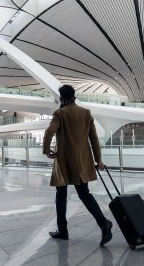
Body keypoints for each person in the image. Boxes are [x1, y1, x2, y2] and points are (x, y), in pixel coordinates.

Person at [43, 84, 113, 245]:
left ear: (61, 98)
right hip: (82, 161)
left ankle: (63, 231)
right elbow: (94, 138)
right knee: (84, 194)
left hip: (64, 161)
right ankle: (103, 223)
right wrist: (98, 160)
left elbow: (49, 132)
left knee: (61, 194)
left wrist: (46, 150)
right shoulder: (86, 113)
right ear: (74, 97)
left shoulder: (60, 113)